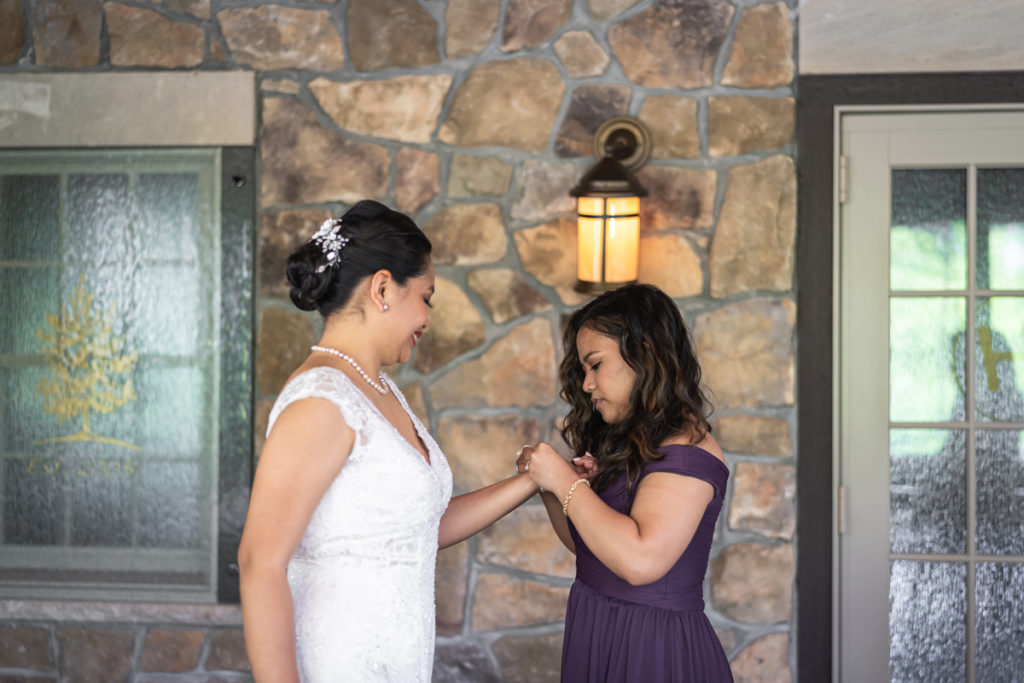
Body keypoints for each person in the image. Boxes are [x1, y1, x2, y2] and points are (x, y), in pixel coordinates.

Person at [237, 200, 543, 682]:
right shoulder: (323, 399)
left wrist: (529, 483)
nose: (427, 317)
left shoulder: (378, 388)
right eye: (426, 296)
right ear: (382, 288)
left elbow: (413, 532)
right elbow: (259, 563)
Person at [516, 283, 734, 682]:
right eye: (583, 370)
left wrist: (567, 483)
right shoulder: (638, 441)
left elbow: (639, 560)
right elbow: (594, 548)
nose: (586, 384)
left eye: (595, 365)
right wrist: (551, 488)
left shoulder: (687, 449)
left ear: (645, 354)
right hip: (599, 629)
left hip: (652, 650)